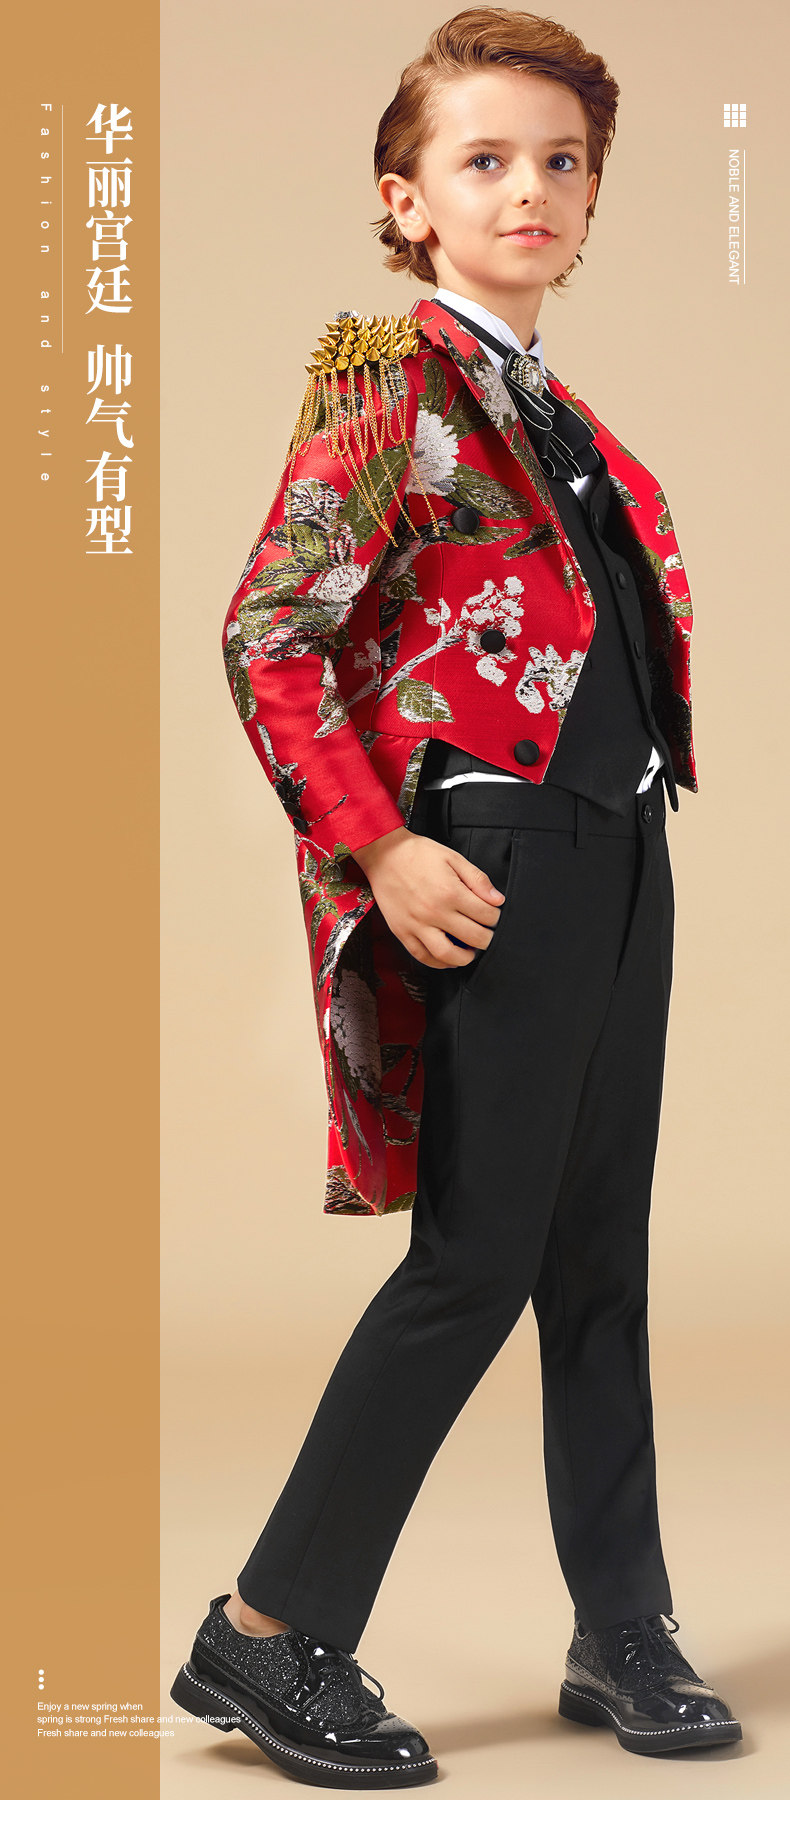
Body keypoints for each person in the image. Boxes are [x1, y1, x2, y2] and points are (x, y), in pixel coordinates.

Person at [171, 6, 742, 1790]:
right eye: (483, 159)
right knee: (477, 1260)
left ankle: (620, 1623)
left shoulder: (560, 413)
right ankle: (266, 1628)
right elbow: (269, 631)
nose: (529, 188)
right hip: (489, 859)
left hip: (621, 850)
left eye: (560, 160)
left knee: (596, 1258)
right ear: (404, 199)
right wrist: (381, 845)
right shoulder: (385, 380)